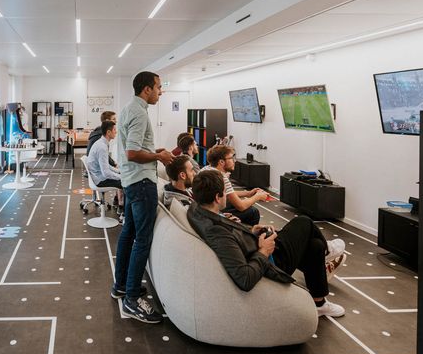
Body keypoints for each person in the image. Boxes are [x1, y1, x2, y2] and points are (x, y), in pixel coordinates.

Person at [187, 170, 347, 317]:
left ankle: (319, 303)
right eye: (224, 193)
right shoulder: (216, 232)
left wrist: (252, 230)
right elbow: (244, 278)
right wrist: (264, 250)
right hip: (273, 261)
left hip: (256, 246)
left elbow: (234, 236)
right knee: (303, 222)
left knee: (314, 247)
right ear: (217, 197)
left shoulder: (198, 212)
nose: (226, 196)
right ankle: (329, 251)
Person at [111, 71, 174, 324]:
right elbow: (132, 153)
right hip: (141, 182)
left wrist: (153, 151)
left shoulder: (128, 109)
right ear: (146, 89)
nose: (161, 91)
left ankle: (122, 286)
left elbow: (135, 148)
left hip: (130, 181)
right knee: (142, 240)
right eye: (159, 87)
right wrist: (158, 157)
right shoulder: (139, 113)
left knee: (128, 234)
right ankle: (132, 299)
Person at [201, 145, 267, 225]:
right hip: (212, 213)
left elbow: (229, 193)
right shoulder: (221, 177)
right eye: (231, 158)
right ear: (221, 162)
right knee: (253, 212)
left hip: (204, 210)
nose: (234, 161)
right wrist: (258, 197)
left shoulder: (206, 169)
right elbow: (241, 206)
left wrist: (248, 193)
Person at [86, 120, 123, 214]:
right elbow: (106, 173)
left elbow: (106, 166)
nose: (116, 131)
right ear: (108, 132)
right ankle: (123, 212)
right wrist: (122, 177)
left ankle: (120, 206)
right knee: (127, 183)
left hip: (97, 176)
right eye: (114, 129)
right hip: (99, 180)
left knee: (123, 179)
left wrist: (118, 171)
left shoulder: (101, 143)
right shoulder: (102, 147)